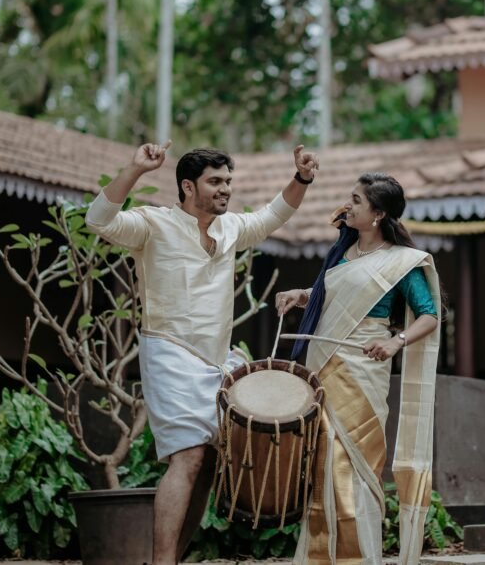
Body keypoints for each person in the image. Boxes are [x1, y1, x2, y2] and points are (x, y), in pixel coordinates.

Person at [85, 140, 319, 565]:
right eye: (215, 182)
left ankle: (172, 558)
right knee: (188, 456)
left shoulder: (230, 229)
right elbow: (97, 219)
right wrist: (136, 170)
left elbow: (273, 216)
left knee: (209, 463)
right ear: (187, 186)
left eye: (228, 181)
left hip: (217, 359)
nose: (225, 189)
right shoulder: (152, 224)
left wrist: (301, 177)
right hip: (169, 353)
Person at [275, 172, 441, 565]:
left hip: (364, 367)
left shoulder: (402, 262)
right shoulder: (343, 251)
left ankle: (361, 556)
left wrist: (394, 341)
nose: (347, 205)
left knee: (354, 466)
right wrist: (302, 295)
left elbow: (429, 316)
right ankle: (321, 557)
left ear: (379, 213)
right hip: (323, 363)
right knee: (322, 463)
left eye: (357, 200)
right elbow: (334, 298)